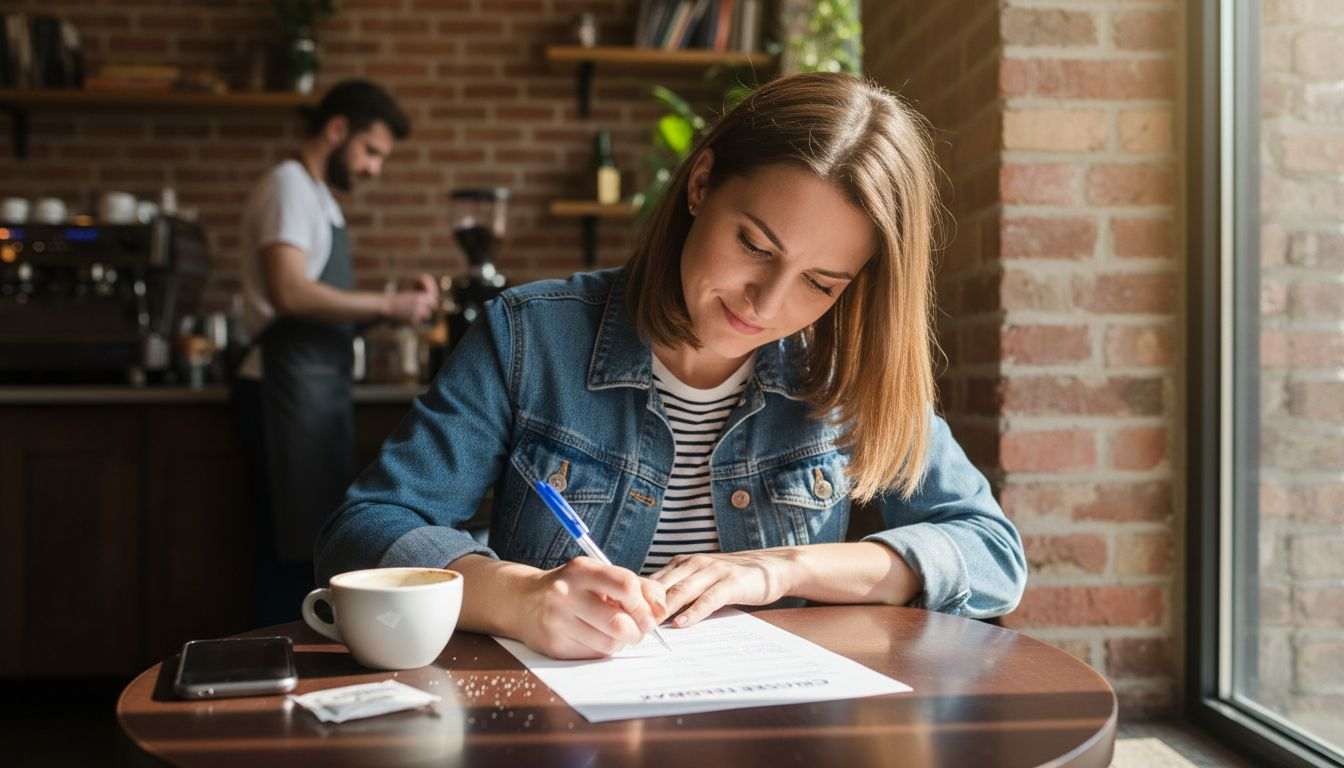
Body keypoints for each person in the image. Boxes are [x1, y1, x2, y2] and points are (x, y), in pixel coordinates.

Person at [315, 72, 1027, 659]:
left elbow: (990, 552)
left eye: (821, 283)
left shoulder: (845, 368)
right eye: (755, 245)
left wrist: (783, 570)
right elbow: (367, 526)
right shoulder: (530, 337)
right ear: (701, 184)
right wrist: (520, 598)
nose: (768, 304)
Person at [234, 79, 438, 626]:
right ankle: (268, 670)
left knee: (310, 544)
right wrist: (389, 302)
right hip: (280, 390)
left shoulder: (319, 199)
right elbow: (290, 291)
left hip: (312, 393)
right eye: (371, 151)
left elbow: (322, 309)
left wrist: (392, 309)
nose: (374, 168)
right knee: (287, 549)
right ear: (336, 129)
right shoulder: (288, 188)